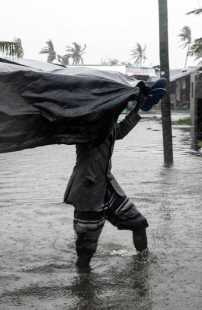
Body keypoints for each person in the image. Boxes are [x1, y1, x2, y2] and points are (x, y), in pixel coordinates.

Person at [64, 92, 149, 268]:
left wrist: (137, 107)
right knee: (86, 252)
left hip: (108, 188)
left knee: (139, 224)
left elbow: (122, 130)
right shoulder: (87, 130)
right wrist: (121, 102)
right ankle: (83, 286)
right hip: (88, 192)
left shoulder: (108, 127)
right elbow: (101, 131)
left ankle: (144, 265)